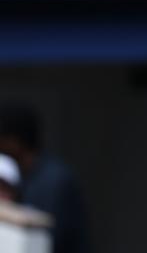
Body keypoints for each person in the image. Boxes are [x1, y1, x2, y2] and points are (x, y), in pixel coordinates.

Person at [0, 103, 89, 253]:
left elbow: (44, 239)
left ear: (15, 141)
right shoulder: (23, 174)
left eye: (2, 138)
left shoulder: (53, 181)